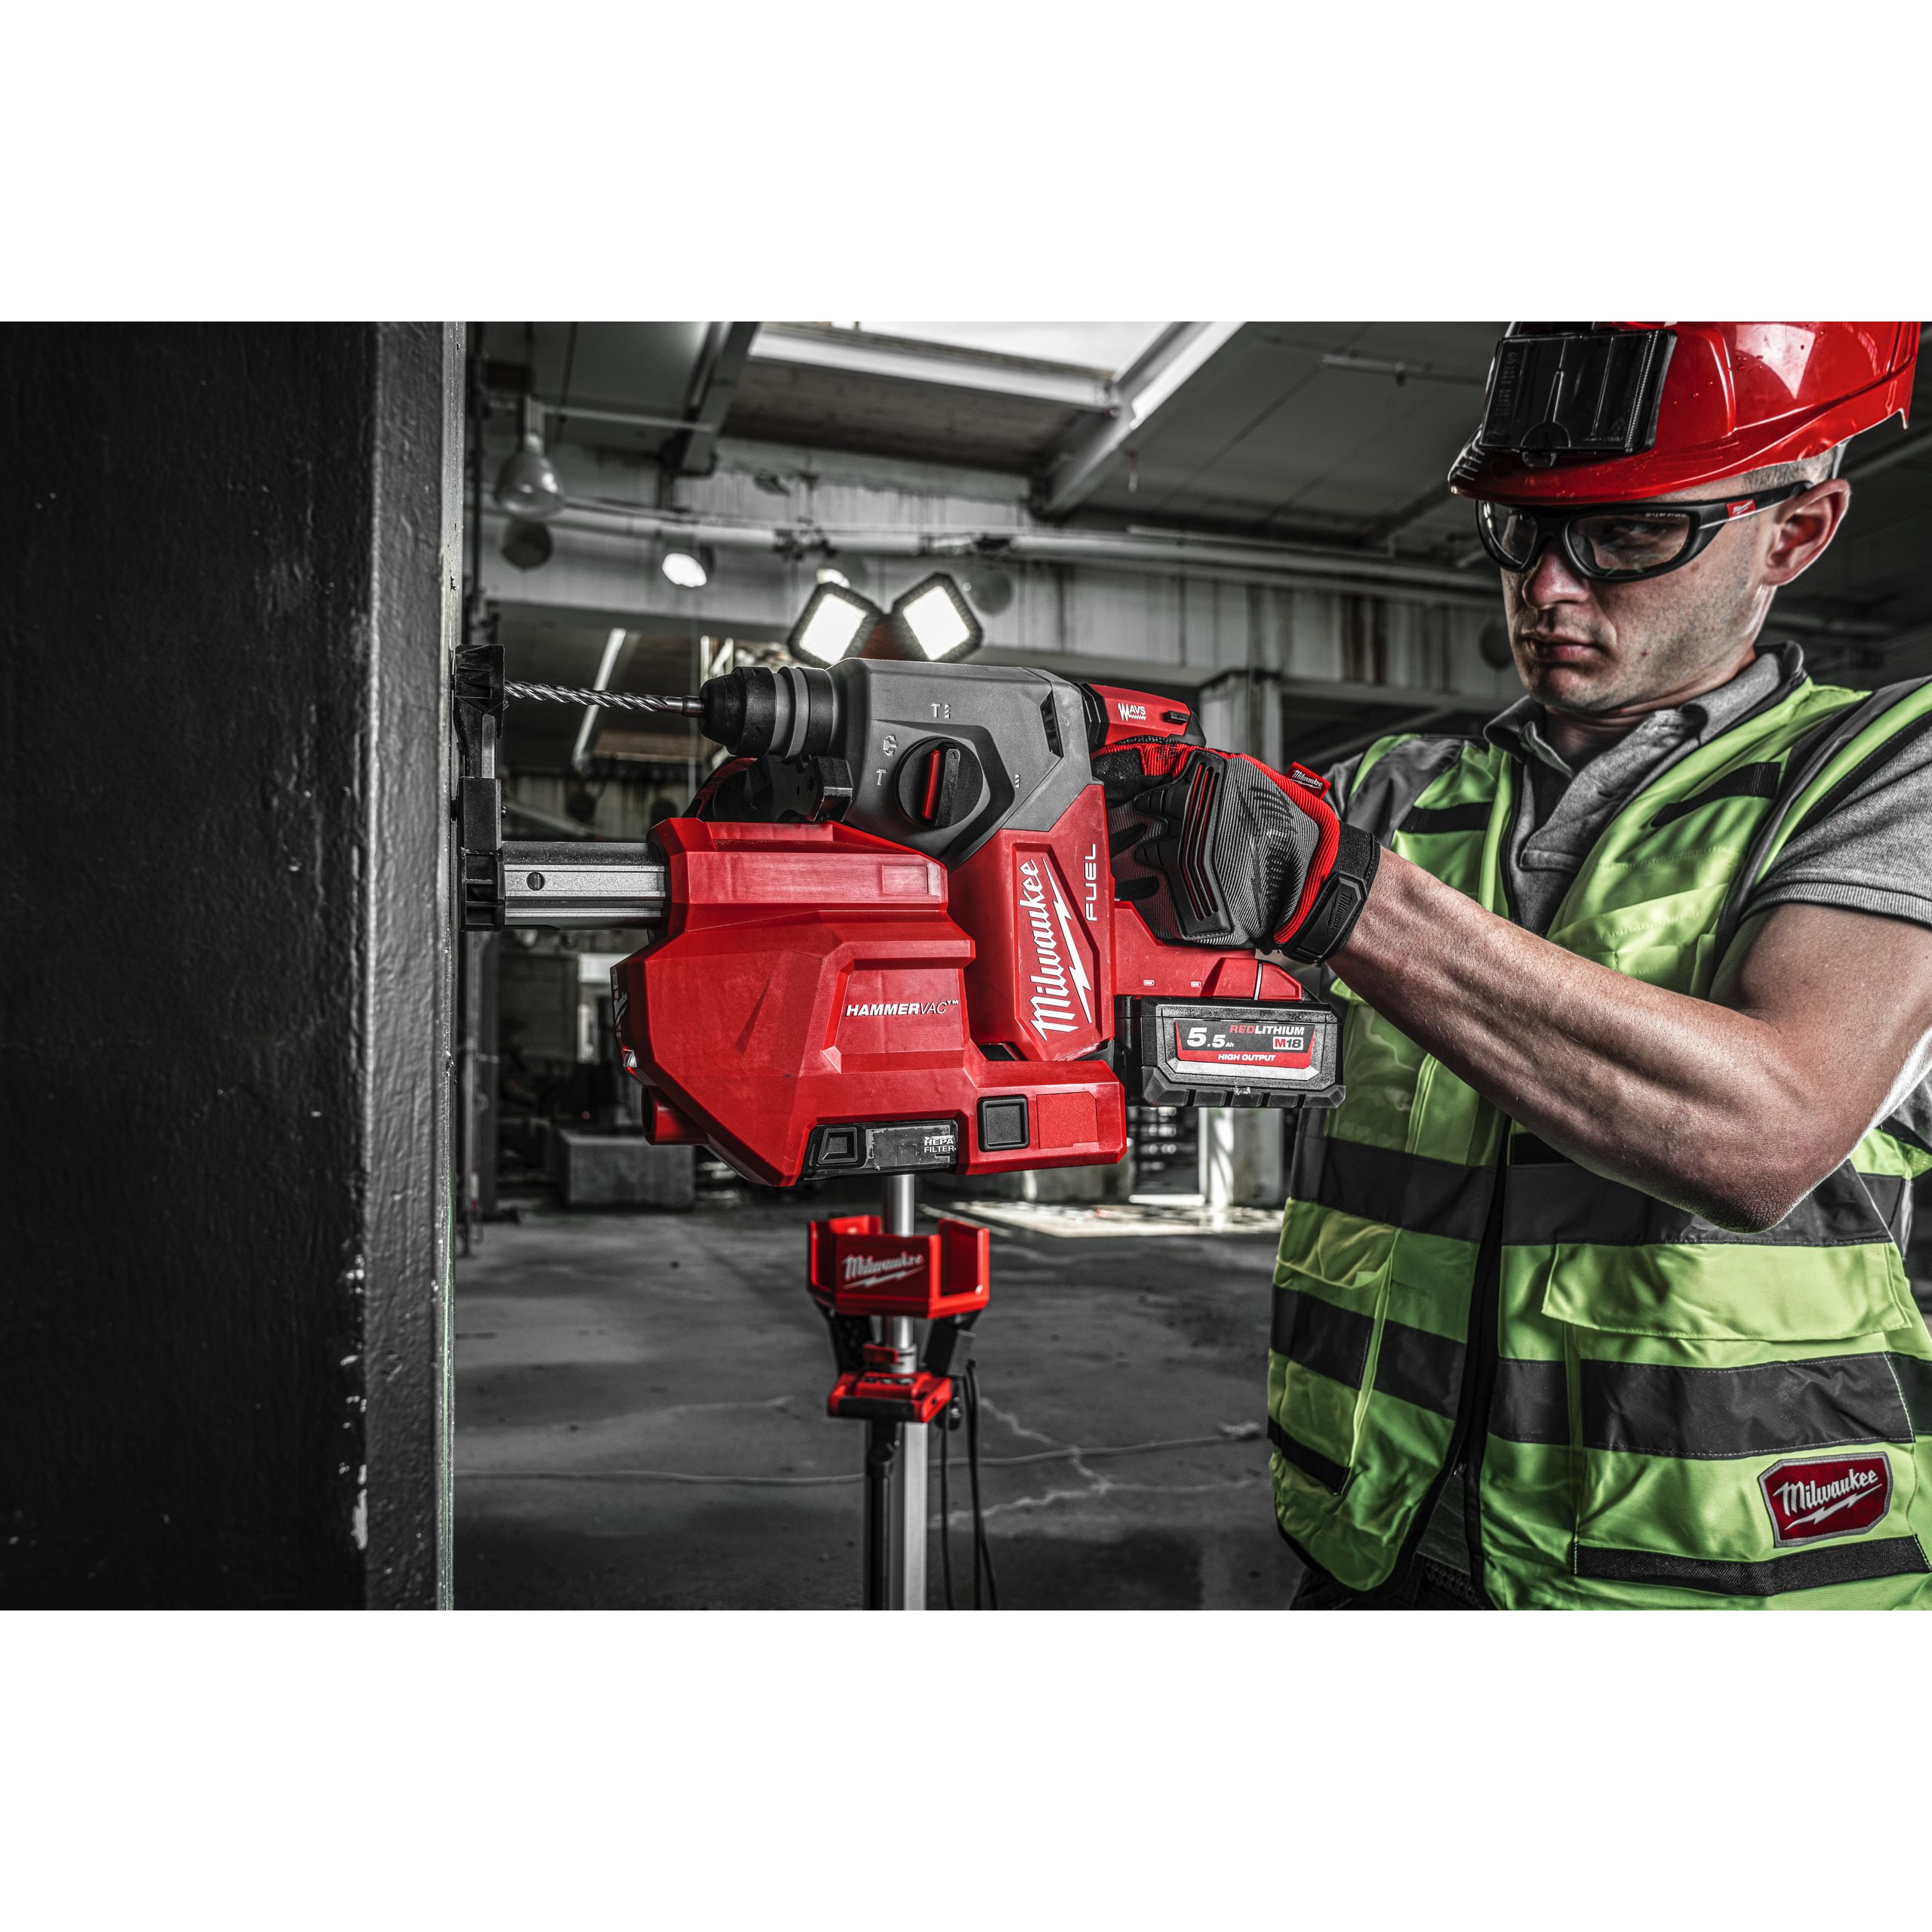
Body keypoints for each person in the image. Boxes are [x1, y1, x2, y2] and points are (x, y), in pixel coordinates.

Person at [1103, 322, 1932, 1608]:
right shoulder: (1389, 795)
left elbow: (1764, 1133)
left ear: (1796, 531)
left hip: (1716, 1574)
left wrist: (1344, 897)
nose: (1547, 586)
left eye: (1630, 534)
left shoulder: (1880, 769)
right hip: (1376, 1535)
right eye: (1521, 529)